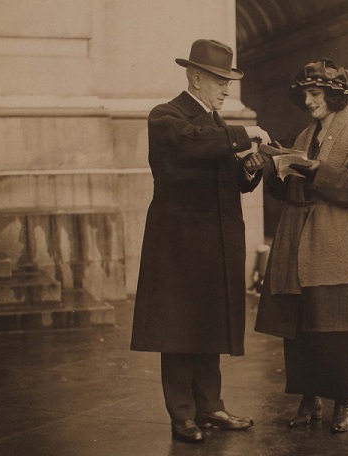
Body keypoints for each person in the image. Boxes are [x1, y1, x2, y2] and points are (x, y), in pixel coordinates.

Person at [130, 39, 271, 444]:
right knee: (178, 329)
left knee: (208, 323)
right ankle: (183, 414)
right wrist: (244, 137)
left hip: (215, 241)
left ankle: (209, 406)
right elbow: (189, 145)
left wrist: (252, 168)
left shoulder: (219, 127)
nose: (227, 90)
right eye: (220, 81)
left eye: (228, 81)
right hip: (178, 244)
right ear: (195, 77)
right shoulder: (167, 116)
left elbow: (232, 180)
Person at [255, 58, 348, 434]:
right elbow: (288, 186)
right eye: (306, 94)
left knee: (338, 324)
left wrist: (317, 172)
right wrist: (274, 167)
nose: (309, 101)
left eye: (316, 93)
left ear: (335, 95)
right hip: (298, 233)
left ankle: (343, 402)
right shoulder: (305, 135)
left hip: (334, 234)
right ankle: (310, 397)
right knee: (301, 322)